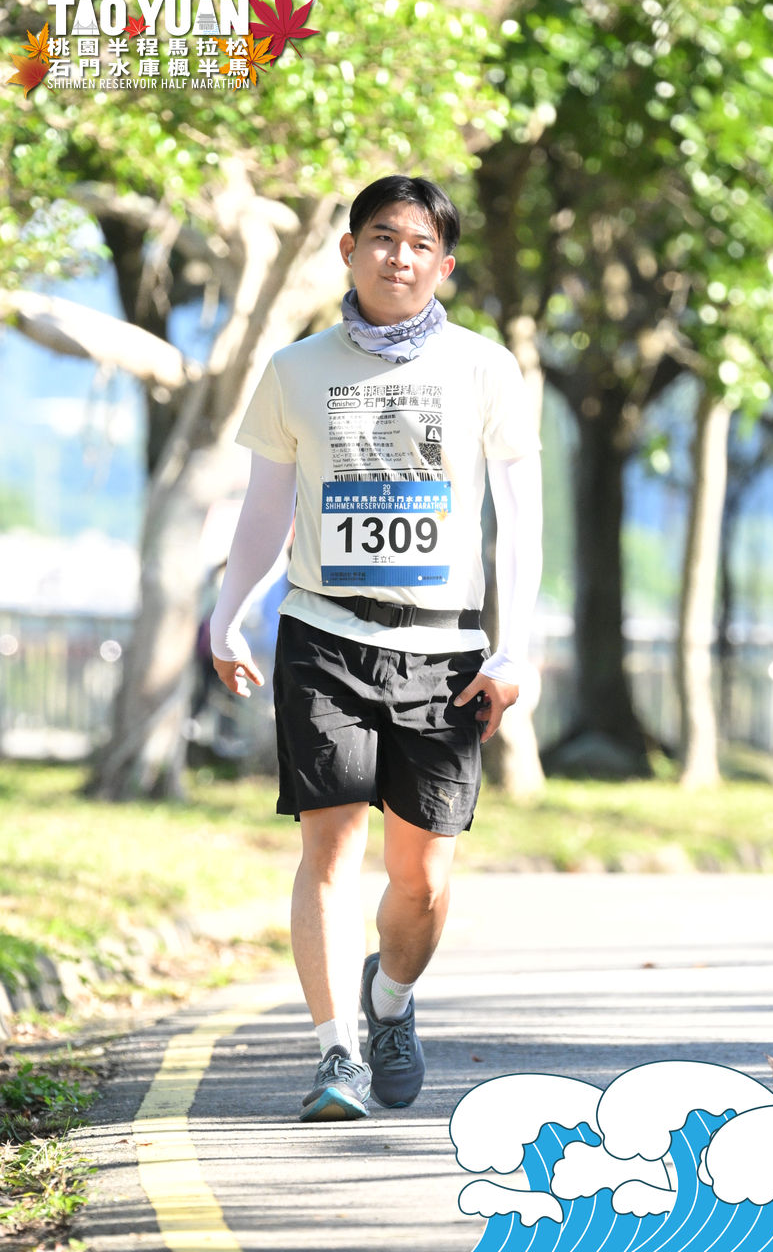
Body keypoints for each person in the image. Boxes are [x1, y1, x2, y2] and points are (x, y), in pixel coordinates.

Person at [209, 175, 542, 1122]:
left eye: (420, 244)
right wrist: (226, 615)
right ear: (348, 250)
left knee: (421, 880)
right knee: (329, 850)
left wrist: (512, 650)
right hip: (324, 636)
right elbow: (264, 510)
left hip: (446, 653)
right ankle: (336, 1054)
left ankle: (388, 999)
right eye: (383, 237)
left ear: (445, 265)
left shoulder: (483, 369)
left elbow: (520, 523)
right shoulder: (295, 370)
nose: (400, 257)